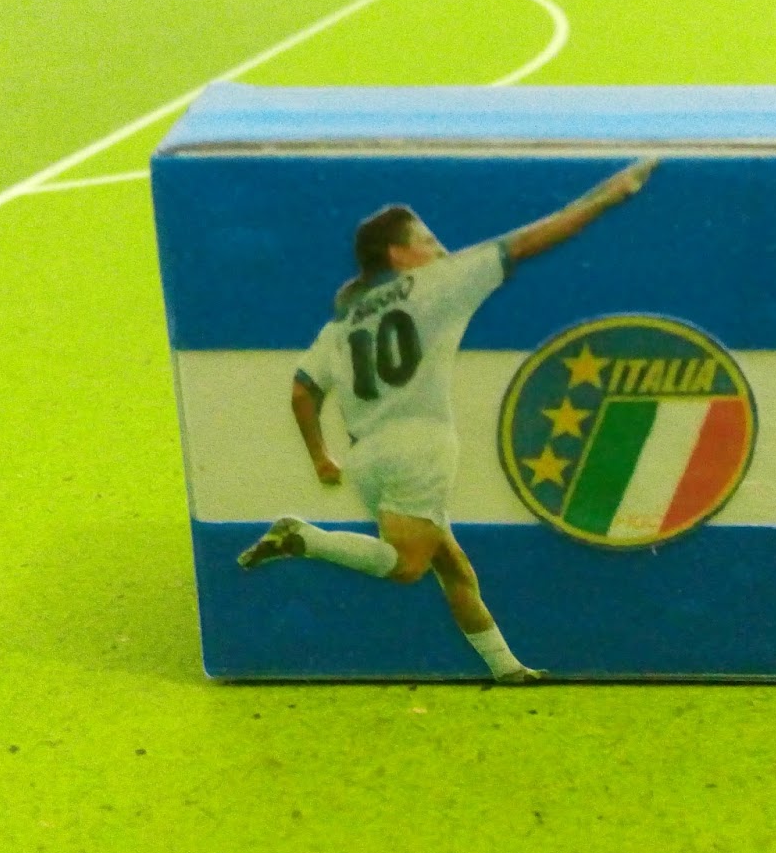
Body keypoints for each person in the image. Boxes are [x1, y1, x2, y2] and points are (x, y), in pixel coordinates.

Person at [238, 157, 659, 682]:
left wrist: (322, 457)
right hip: (421, 445)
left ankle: (507, 670)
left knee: (453, 567)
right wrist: (611, 194)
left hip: (366, 457)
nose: (440, 249)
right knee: (407, 566)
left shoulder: (343, 321)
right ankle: (305, 537)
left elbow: (303, 391)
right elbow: (531, 239)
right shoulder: (438, 283)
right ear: (399, 254)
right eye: (429, 240)